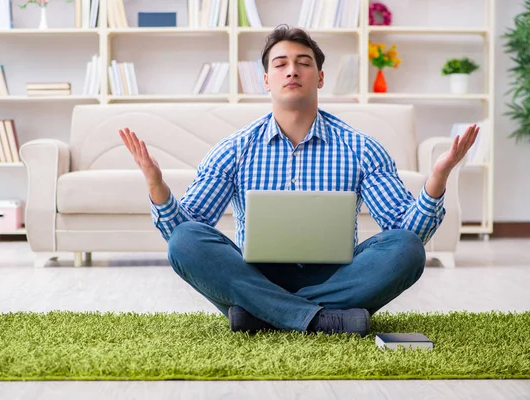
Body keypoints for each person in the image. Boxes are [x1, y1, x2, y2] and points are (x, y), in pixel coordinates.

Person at [119, 24, 478, 337]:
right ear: (266, 81)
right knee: (184, 242)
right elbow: (188, 233)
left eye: (304, 63)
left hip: (338, 278)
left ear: (320, 77)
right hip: (254, 275)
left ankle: (263, 316)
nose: (292, 70)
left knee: (407, 250)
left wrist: (437, 178)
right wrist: (157, 187)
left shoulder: (362, 148)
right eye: (281, 64)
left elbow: (406, 231)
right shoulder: (233, 149)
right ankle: (322, 320)